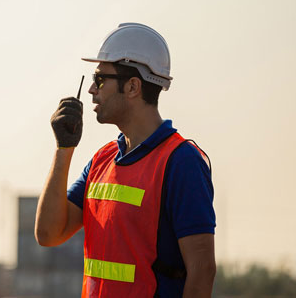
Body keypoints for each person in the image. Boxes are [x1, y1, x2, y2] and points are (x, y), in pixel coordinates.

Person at [35, 23, 216, 297]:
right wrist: (64, 148)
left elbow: (202, 271)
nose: (92, 91)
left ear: (132, 87)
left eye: (100, 79)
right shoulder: (102, 160)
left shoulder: (181, 162)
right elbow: (48, 234)